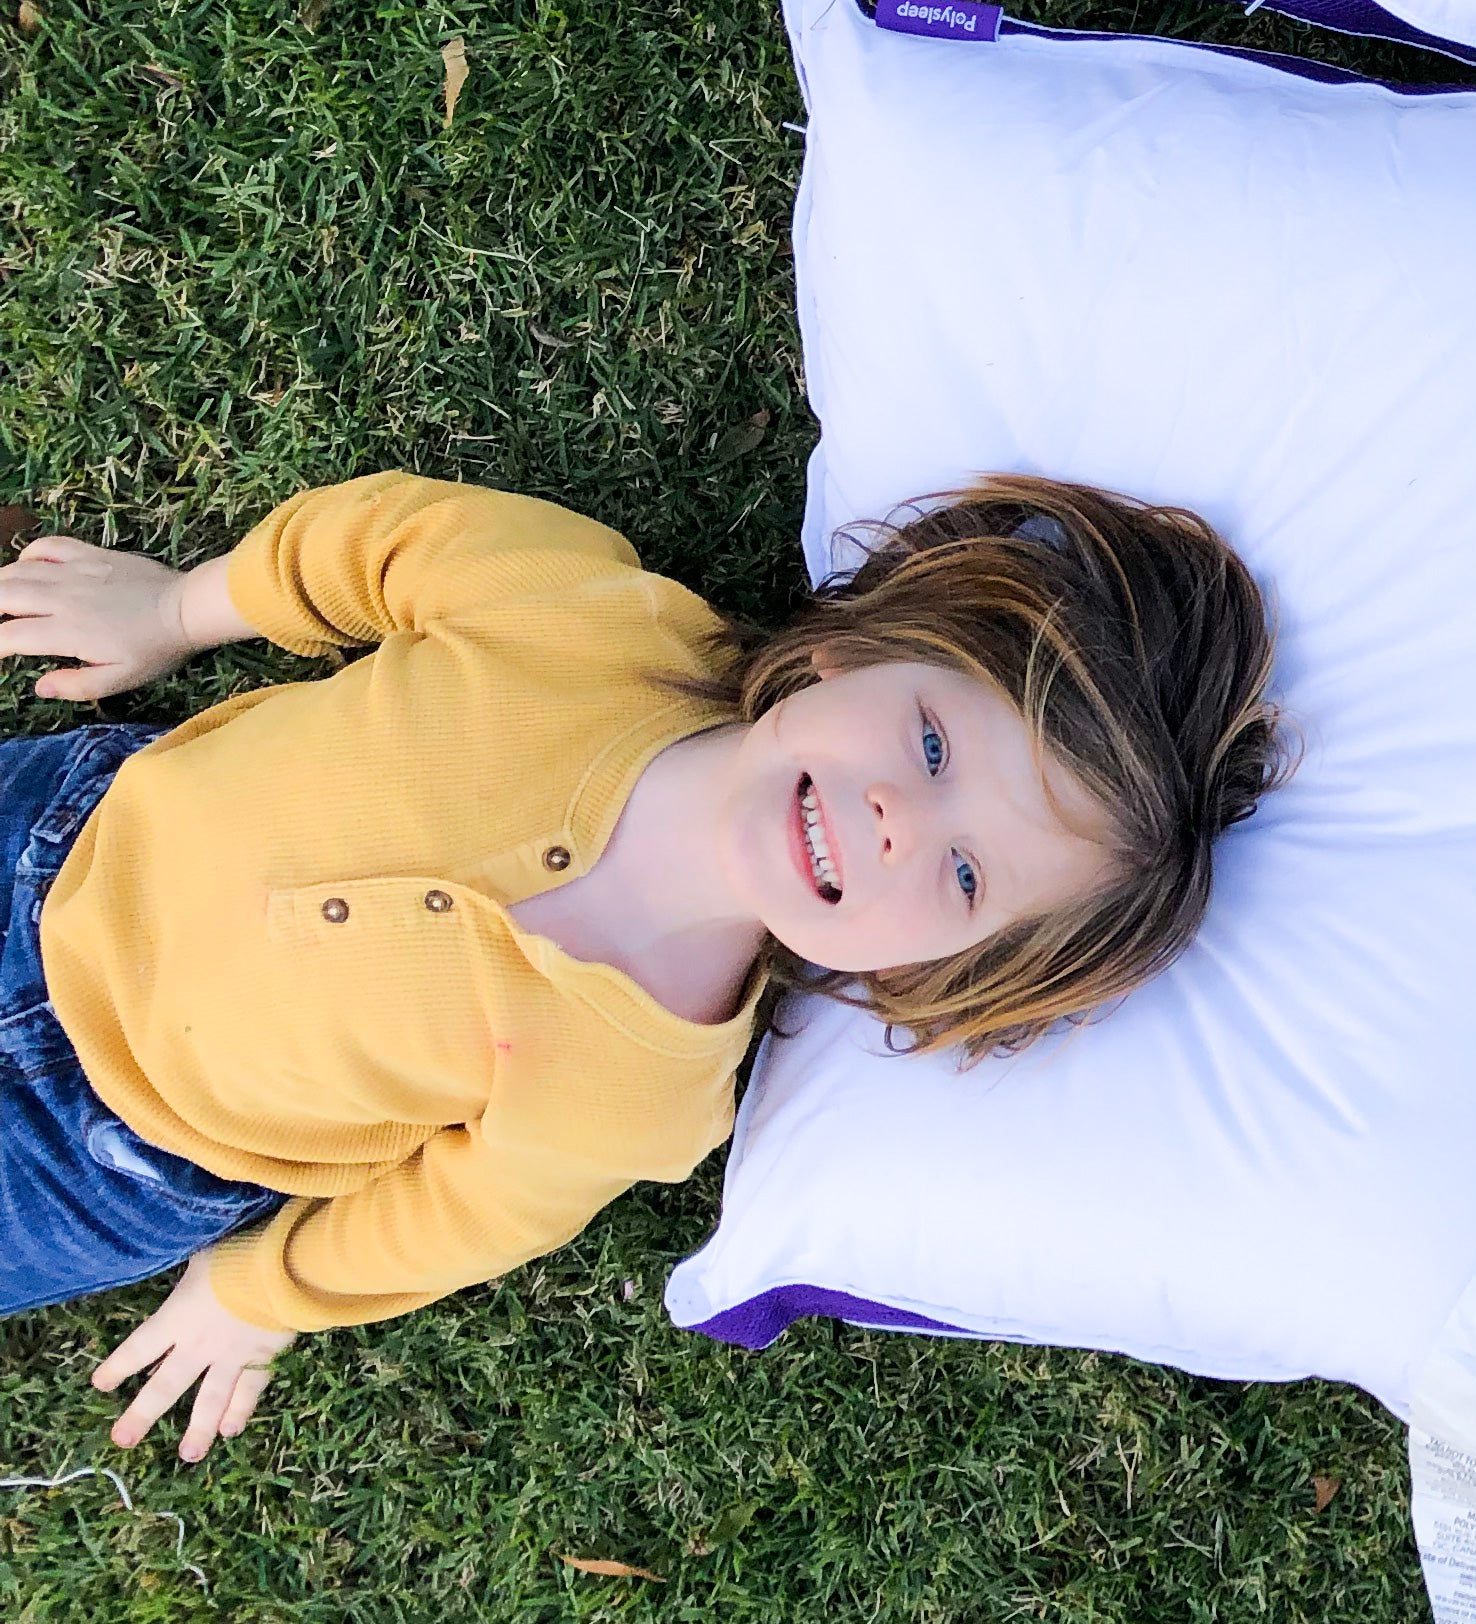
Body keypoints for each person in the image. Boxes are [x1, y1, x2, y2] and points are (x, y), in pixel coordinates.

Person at [0, 472, 1286, 1457]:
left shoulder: (642, 1092)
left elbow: (457, 1218)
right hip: (60, 847)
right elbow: (378, 542)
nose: (902, 820)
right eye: (939, 747)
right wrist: (176, 606)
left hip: (116, 1154)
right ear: (855, 654)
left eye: (963, 879)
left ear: (938, 969)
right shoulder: (586, 621)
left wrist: (261, 1293)